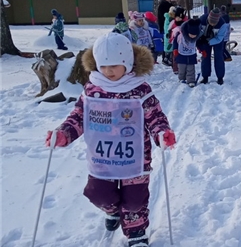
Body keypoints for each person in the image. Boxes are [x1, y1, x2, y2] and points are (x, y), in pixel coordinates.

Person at [45, 32, 176, 247]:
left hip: (134, 157)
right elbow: (79, 115)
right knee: (99, 194)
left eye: (114, 65)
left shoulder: (139, 89)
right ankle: (113, 210)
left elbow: (154, 115)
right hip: (102, 156)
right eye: (103, 66)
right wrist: (63, 134)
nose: (108, 71)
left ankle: (136, 234)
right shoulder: (92, 88)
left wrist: (162, 133)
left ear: (127, 62)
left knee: (134, 200)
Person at [197, 8, 228, 85]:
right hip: (204, 38)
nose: (212, 24)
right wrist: (200, 40)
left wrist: (209, 42)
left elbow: (219, 37)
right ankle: (205, 76)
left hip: (217, 41)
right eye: (211, 22)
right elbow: (198, 31)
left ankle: (220, 77)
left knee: (219, 57)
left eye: (214, 23)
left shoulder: (222, 24)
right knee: (205, 56)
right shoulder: (202, 20)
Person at [173, 18, 202, 87]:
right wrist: (175, 49)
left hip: (191, 55)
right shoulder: (180, 35)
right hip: (181, 55)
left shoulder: (196, 38)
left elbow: (199, 44)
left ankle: (191, 80)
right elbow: (175, 42)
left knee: (191, 69)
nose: (192, 36)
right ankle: (181, 78)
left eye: (194, 35)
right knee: (181, 68)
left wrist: (202, 50)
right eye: (191, 34)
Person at [167, 7, 187, 74]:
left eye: (179, 17)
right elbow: (169, 30)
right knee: (175, 54)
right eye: (177, 17)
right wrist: (169, 34)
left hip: (183, 41)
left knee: (183, 54)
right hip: (174, 41)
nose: (178, 19)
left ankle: (183, 67)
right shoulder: (173, 22)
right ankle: (175, 68)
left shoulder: (185, 23)